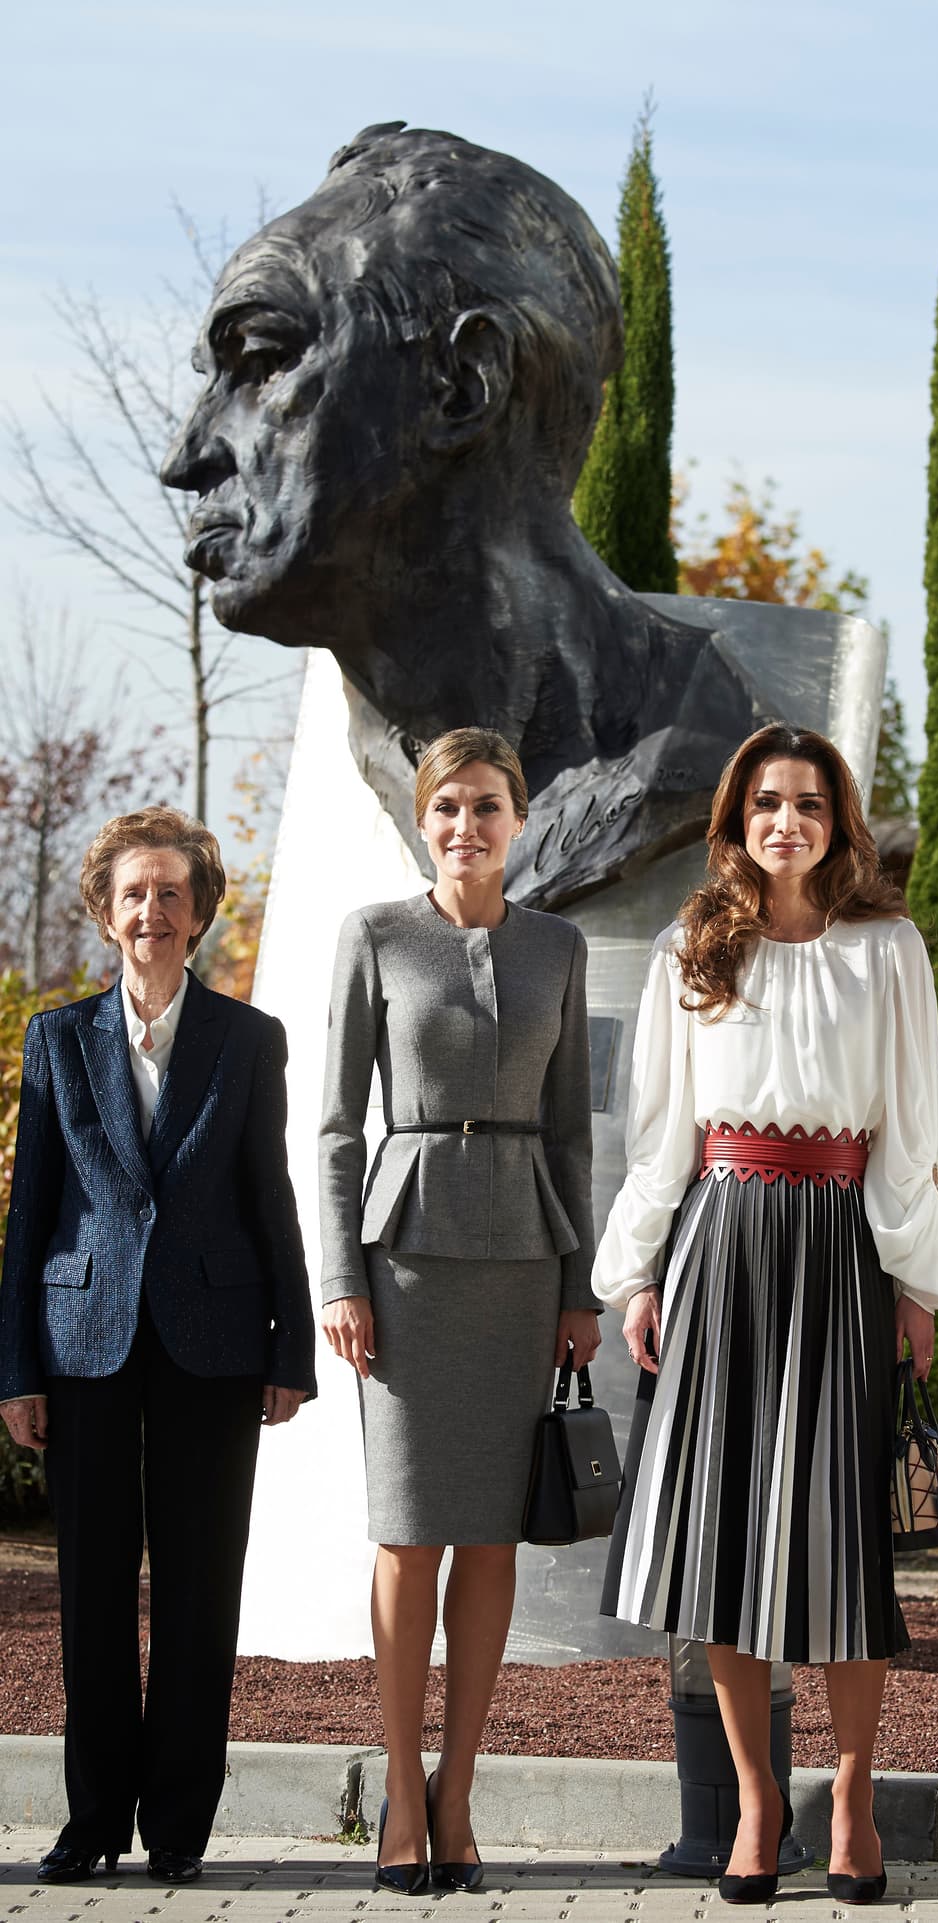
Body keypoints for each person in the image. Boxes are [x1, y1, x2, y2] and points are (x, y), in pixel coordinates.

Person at [159, 123, 759, 909]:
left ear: (463, 383)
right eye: (212, 380)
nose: (186, 458)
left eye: (265, 361)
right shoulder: (378, 750)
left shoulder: (712, 748)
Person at [595, 724, 938, 1908]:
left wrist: (917, 1281)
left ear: (838, 818)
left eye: (807, 802)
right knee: (725, 1534)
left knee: (842, 1541)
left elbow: (913, 1126)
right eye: (764, 803)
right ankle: (757, 1804)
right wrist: (637, 1275)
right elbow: (658, 1135)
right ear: (735, 820)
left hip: (843, 1247)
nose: (785, 821)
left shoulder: (886, 948)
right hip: (720, 1243)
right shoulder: (690, 950)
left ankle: (849, 1797)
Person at [0, 806, 315, 1889]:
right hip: (81, 1339)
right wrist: (14, 1370)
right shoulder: (56, 1038)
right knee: (90, 1587)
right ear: (105, 912)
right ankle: (90, 1825)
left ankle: (178, 1824)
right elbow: (31, 1210)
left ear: (199, 913)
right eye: (133, 893)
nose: (152, 911)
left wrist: (292, 1349)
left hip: (215, 1342)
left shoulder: (248, 1039)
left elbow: (270, 1198)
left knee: (197, 1585)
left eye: (170, 893)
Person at [318, 726, 599, 1896]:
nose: (465, 828)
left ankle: (458, 1790)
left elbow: (576, 1128)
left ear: (516, 819)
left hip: (524, 1257)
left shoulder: (558, 946)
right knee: (406, 1532)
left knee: (490, 1536)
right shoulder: (374, 935)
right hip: (407, 1264)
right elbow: (336, 1126)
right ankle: (396, 1782)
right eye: (446, 810)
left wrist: (579, 1287)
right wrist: (338, 1276)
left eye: (486, 807)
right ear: (421, 820)